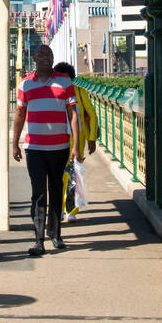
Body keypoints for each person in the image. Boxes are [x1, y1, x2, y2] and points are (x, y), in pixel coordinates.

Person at [12, 44, 80, 256]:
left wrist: (76, 144)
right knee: (38, 193)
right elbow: (20, 115)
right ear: (34, 58)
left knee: (56, 190)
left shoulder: (64, 81)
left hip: (59, 146)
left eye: (49, 55)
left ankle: (56, 234)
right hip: (34, 148)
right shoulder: (25, 85)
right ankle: (38, 239)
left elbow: (73, 114)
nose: (45, 58)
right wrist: (14, 143)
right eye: (41, 55)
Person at [52, 61, 97, 218]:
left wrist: (92, 138)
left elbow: (91, 115)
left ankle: (70, 210)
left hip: (76, 139)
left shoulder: (79, 91)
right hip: (56, 139)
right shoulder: (52, 91)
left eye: (67, 78)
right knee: (58, 176)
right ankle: (58, 208)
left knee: (73, 174)